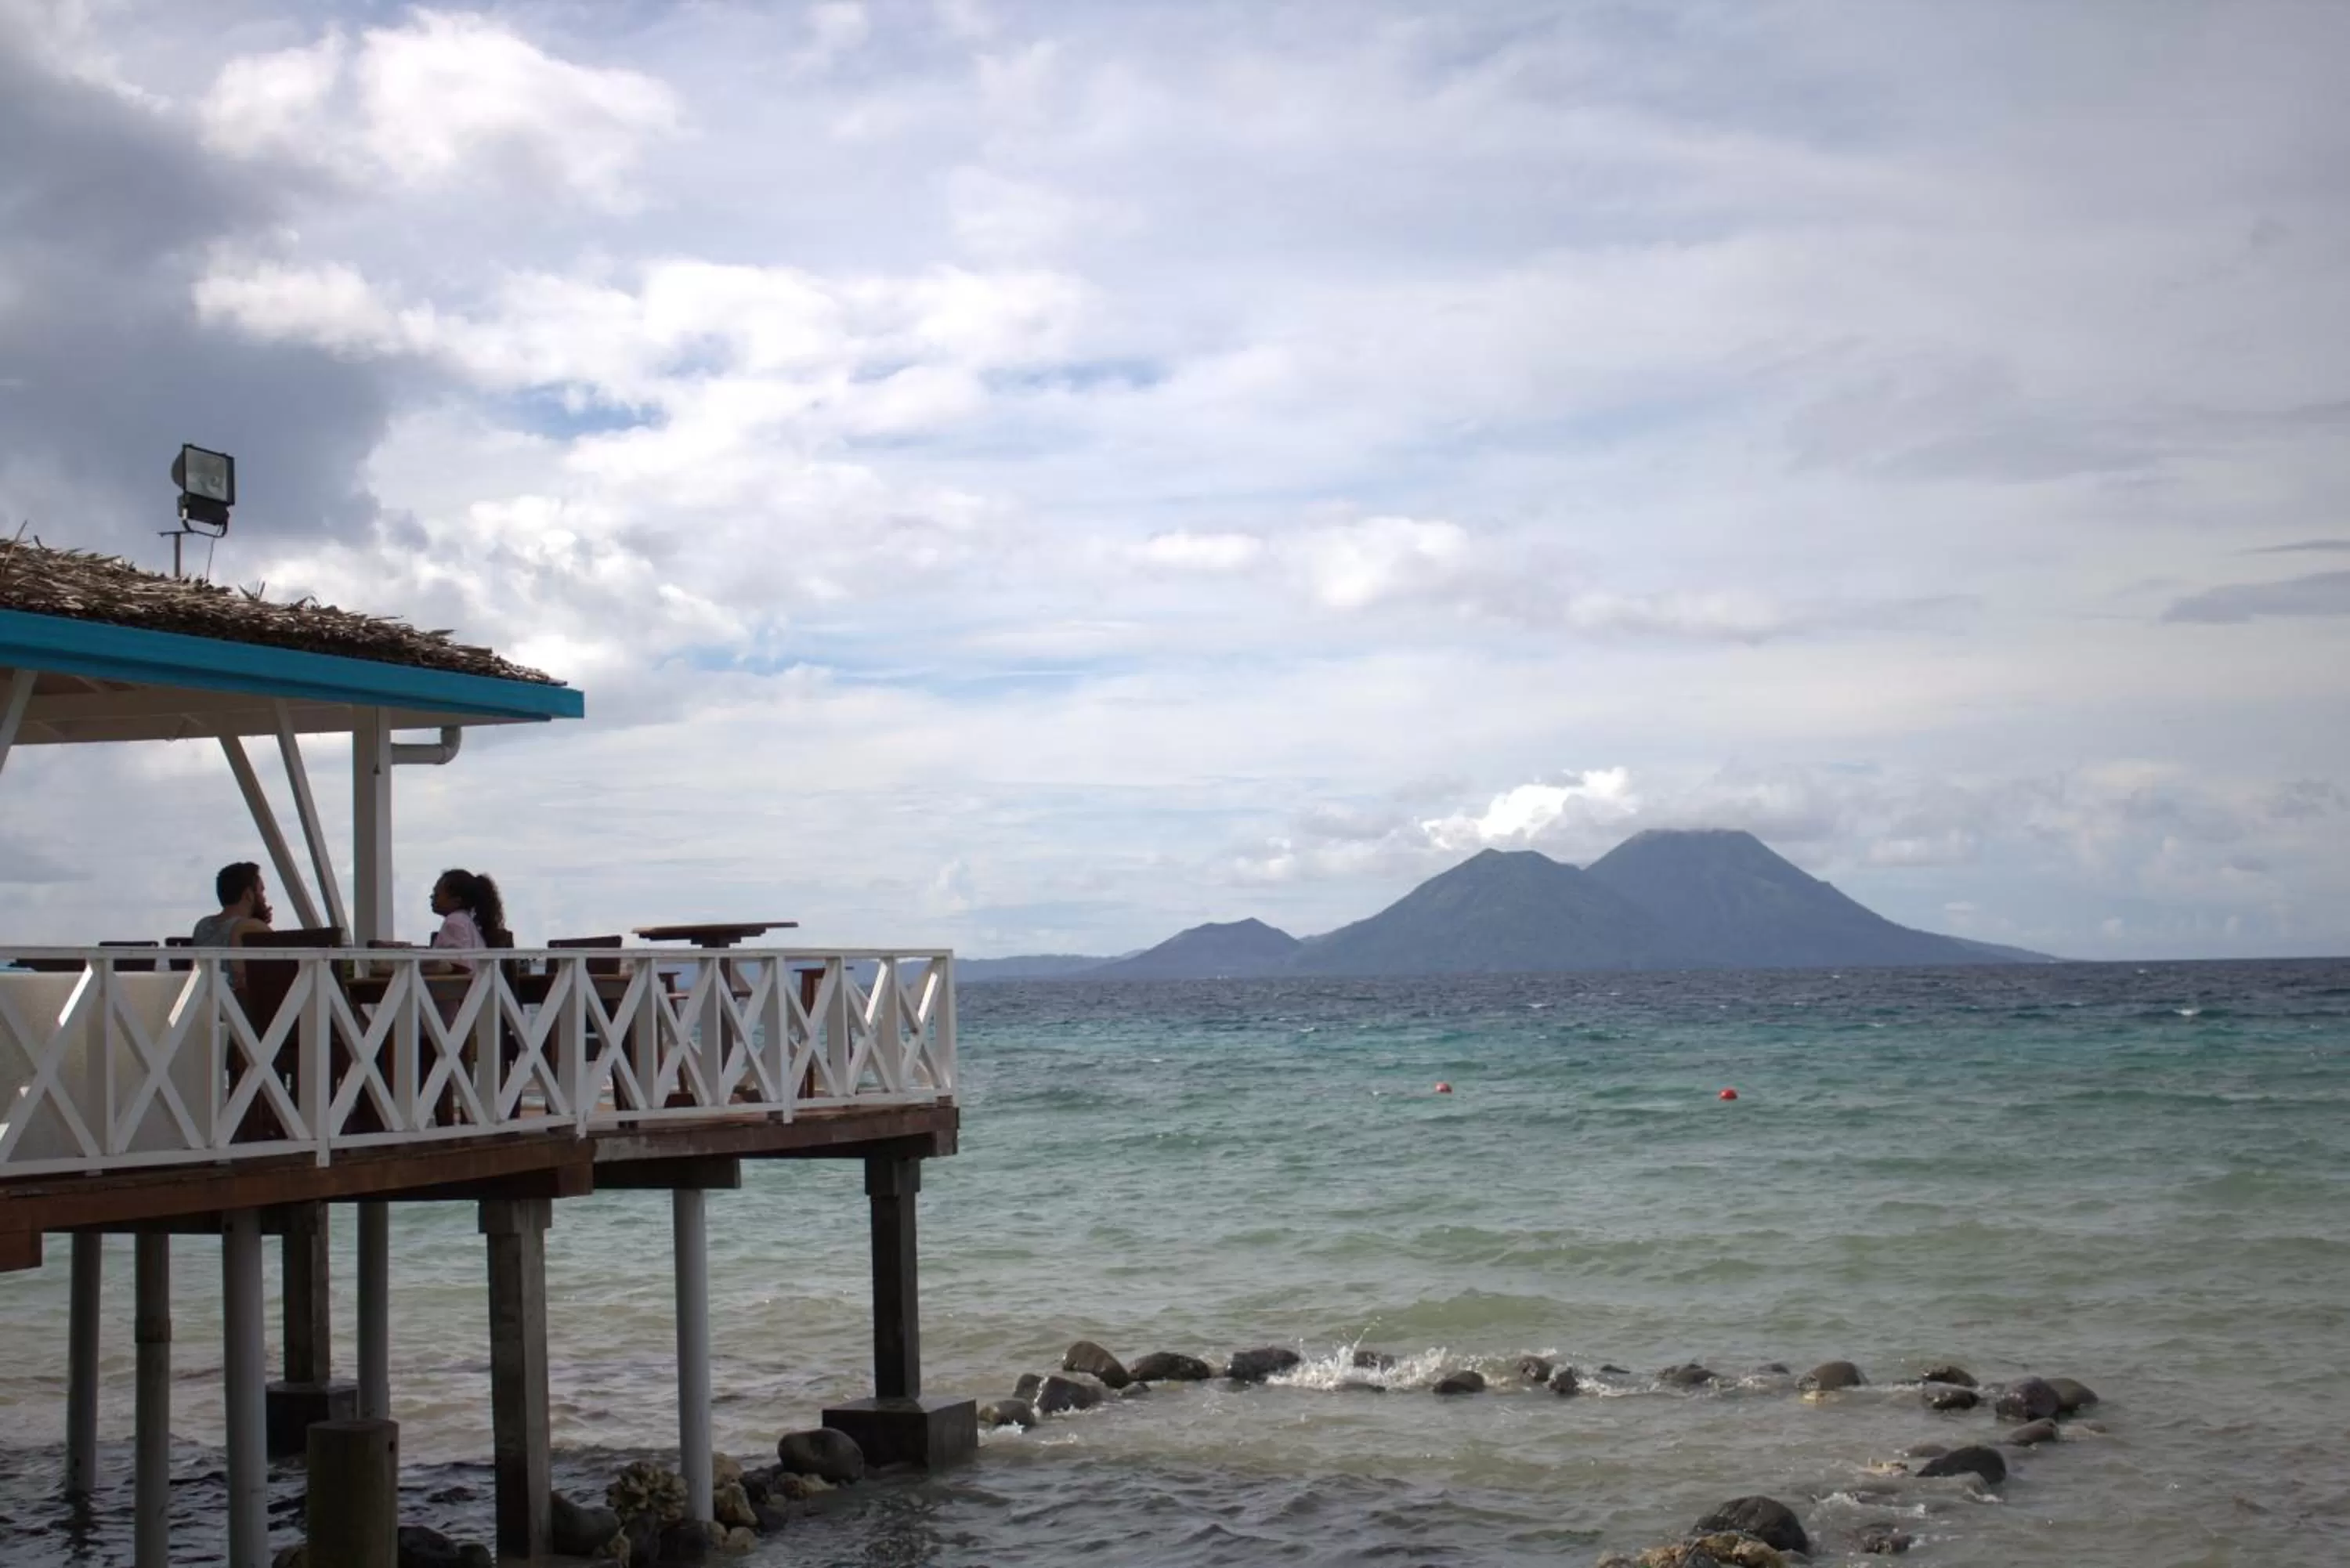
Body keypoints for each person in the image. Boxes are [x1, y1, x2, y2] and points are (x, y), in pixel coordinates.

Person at [426, 868, 507, 971]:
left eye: (437, 894)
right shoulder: (466, 920)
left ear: (456, 901)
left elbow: (460, 965)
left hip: (459, 987)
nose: (432, 897)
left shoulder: (454, 921)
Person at [193, 861, 273, 948]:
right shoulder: (250, 926)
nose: (264, 898)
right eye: (261, 891)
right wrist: (260, 924)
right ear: (249, 894)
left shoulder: (202, 926)